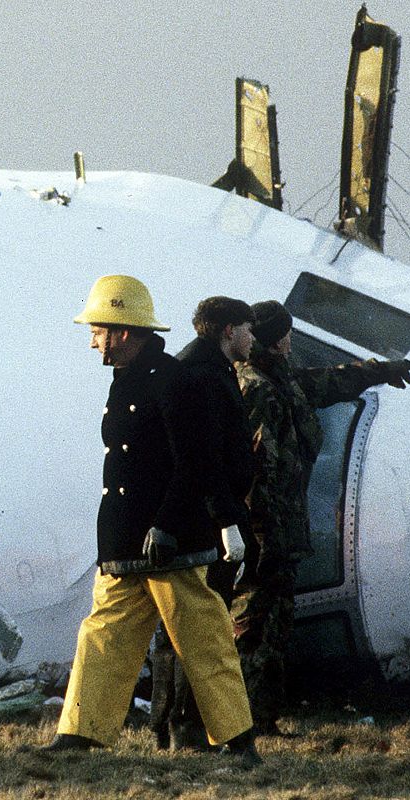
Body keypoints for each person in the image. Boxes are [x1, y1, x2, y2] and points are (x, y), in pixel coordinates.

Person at [40, 275, 260, 766]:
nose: (92, 339)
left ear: (122, 330)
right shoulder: (131, 380)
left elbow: (195, 461)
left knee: (203, 641)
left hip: (169, 543)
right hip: (126, 543)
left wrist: (168, 525)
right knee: (102, 635)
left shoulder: (175, 380)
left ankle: (237, 741)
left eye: (97, 329)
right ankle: (81, 734)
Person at [231, 300, 410, 735]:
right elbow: (261, 470)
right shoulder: (257, 388)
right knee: (253, 620)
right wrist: (265, 532)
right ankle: (242, 717)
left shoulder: (279, 381)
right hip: (265, 528)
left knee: (272, 621)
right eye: (287, 333)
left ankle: (258, 716)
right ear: (279, 339)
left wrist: (379, 371)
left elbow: (324, 383)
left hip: (279, 527)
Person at [150, 296, 256, 750]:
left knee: (189, 630)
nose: (253, 338)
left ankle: (183, 727)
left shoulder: (207, 368)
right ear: (227, 330)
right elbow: (202, 457)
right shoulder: (200, 374)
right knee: (197, 631)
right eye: (248, 329)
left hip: (210, 514)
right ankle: (184, 728)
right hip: (206, 520)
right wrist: (226, 521)